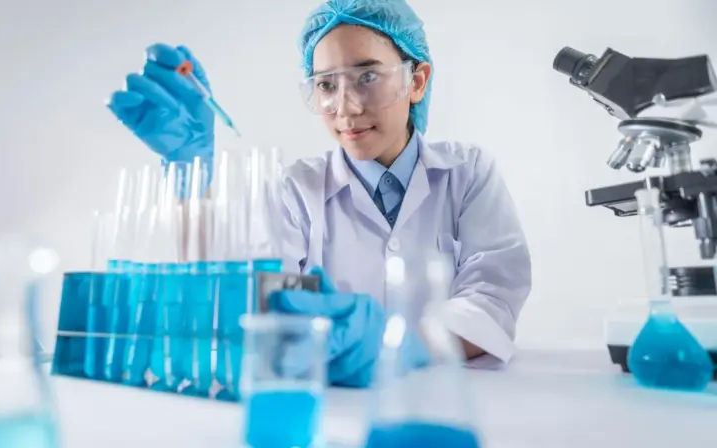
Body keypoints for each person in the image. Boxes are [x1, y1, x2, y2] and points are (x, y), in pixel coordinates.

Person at [107, 0, 532, 387]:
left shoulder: (467, 173)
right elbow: (245, 301)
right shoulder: (295, 190)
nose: (346, 107)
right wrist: (191, 179)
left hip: (443, 403)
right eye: (327, 85)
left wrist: (405, 344)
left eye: (367, 77)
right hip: (329, 409)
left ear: (416, 81)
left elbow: (492, 299)